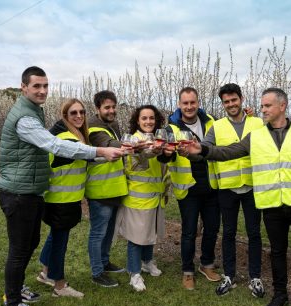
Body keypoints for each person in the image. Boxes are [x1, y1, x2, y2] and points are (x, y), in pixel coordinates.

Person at [181, 87, 291, 306]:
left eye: (267, 106)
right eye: (261, 106)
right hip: (271, 203)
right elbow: (229, 152)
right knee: (277, 251)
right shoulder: (257, 135)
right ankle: (280, 295)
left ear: (282, 106)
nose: (262, 110)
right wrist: (201, 149)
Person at [0, 67, 123, 306]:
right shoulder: (26, 118)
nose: (42, 90)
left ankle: (18, 288)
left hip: (31, 191)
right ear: (23, 87)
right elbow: (53, 145)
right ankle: (12, 303)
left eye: (45, 86)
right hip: (18, 192)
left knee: (30, 243)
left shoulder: (34, 111)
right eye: (36, 86)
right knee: (20, 249)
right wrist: (100, 152)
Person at [202, 83, 265, 297]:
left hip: (253, 186)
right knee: (228, 232)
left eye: (234, 100)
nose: (231, 104)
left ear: (241, 99)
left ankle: (255, 277)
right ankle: (229, 275)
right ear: (223, 104)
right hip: (227, 188)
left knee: (254, 232)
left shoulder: (258, 123)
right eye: (226, 102)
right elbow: (205, 149)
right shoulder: (217, 127)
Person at [163, 87, 221, 290]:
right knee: (188, 232)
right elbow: (165, 156)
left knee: (212, 228)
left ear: (198, 103)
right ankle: (187, 271)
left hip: (212, 185)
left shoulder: (212, 122)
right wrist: (167, 153)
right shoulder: (171, 128)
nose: (189, 107)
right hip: (188, 187)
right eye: (185, 103)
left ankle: (207, 264)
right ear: (179, 104)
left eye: (192, 102)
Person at [36, 99, 91, 299]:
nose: (79, 116)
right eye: (73, 113)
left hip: (62, 198)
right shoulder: (66, 139)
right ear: (65, 116)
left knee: (55, 236)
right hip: (61, 200)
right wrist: (117, 151)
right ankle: (59, 285)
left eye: (82, 112)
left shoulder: (67, 135)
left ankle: (45, 272)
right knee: (60, 242)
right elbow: (89, 155)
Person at [116, 105, 167, 291]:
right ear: (137, 121)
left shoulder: (158, 138)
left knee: (149, 233)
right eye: (144, 118)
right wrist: (156, 150)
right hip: (137, 198)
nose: (148, 122)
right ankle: (134, 272)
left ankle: (147, 262)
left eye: (151, 118)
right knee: (136, 237)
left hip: (154, 196)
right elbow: (144, 154)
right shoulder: (134, 141)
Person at [85, 90, 129, 288]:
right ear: (97, 109)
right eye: (106, 107)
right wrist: (137, 143)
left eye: (113, 107)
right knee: (98, 232)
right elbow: (110, 144)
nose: (111, 111)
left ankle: (104, 261)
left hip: (113, 187)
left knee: (109, 230)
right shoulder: (93, 128)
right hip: (100, 189)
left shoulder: (113, 124)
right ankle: (97, 272)